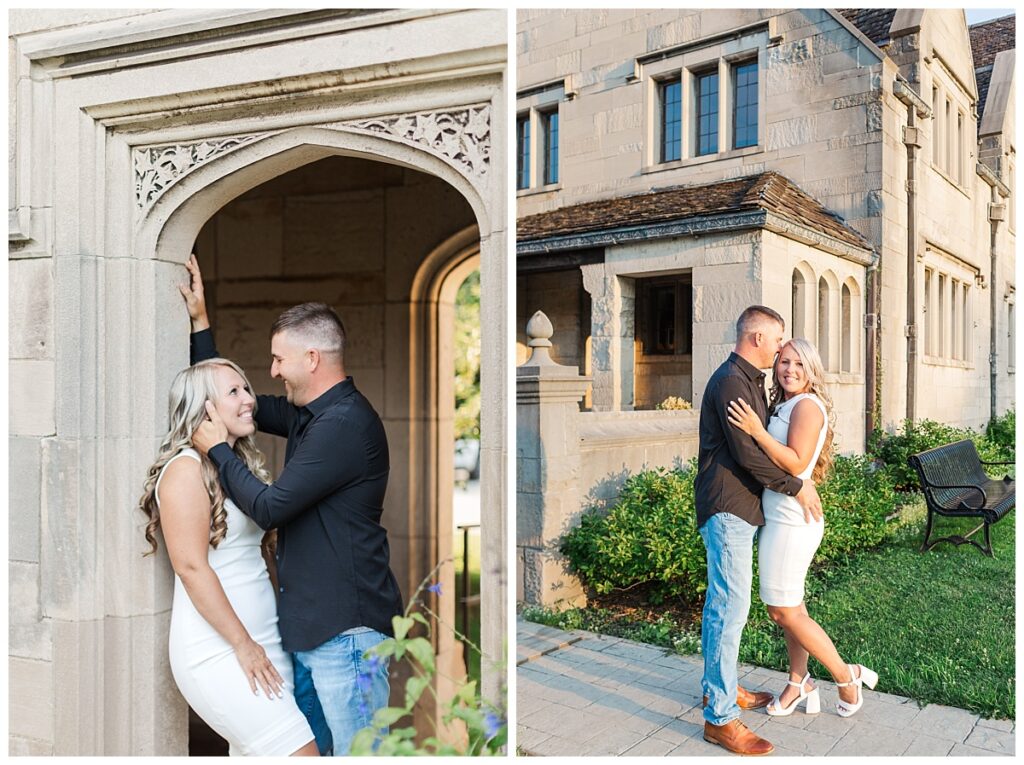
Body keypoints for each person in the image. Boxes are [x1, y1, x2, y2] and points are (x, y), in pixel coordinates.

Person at [179, 254, 403, 756]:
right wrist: (201, 325)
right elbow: (233, 403)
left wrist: (215, 449)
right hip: (312, 631)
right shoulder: (310, 412)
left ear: (312, 360)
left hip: (346, 632)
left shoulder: (344, 425)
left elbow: (270, 507)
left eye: (279, 359)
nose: (272, 370)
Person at [138, 359, 319, 756]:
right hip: (220, 649)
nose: (249, 400)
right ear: (205, 408)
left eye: (246, 389)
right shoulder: (184, 470)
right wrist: (243, 644)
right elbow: (190, 567)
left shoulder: (229, 465)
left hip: (263, 643)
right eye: (233, 392)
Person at [693, 305, 822, 756]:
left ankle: (719, 691)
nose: (782, 350)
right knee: (729, 611)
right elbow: (748, 455)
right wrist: (796, 487)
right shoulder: (732, 382)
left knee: (722, 608)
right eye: (778, 341)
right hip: (728, 508)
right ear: (758, 339)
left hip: (740, 509)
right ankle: (721, 719)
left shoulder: (750, 379)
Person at [726, 338, 878, 719]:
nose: (789, 369)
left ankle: (846, 677)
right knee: (791, 606)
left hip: (793, 522)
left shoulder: (807, 406)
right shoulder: (787, 404)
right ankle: (799, 681)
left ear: (812, 370)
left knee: (782, 610)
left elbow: (794, 464)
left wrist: (757, 431)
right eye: (784, 362)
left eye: (798, 363)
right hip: (780, 516)